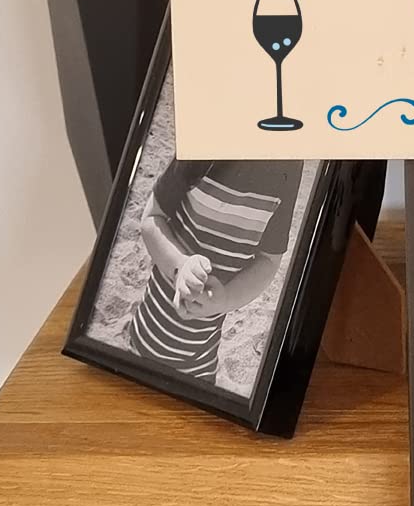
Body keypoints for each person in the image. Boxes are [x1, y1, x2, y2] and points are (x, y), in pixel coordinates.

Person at [129, 158, 303, 386]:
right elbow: (152, 218)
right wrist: (179, 266)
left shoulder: (288, 165)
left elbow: (268, 261)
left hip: (201, 362)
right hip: (145, 341)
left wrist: (226, 299)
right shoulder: (203, 144)